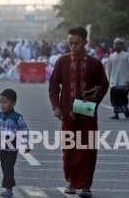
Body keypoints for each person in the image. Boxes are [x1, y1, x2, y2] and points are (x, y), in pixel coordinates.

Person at [48, 26, 109, 198]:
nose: (72, 46)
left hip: (87, 111)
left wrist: (94, 96)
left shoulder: (95, 64)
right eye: (70, 43)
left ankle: (85, 185)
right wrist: (56, 106)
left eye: (76, 43)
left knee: (87, 149)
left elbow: (104, 85)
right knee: (69, 149)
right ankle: (70, 182)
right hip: (68, 112)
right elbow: (53, 86)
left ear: (85, 42)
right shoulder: (62, 61)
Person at [106, 38, 129, 119]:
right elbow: (109, 69)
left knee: (122, 97)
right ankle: (116, 114)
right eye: (115, 44)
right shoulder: (111, 56)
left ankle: (125, 109)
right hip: (114, 81)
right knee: (114, 98)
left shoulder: (127, 56)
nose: (117, 45)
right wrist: (108, 81)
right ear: (113, 45)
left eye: (119, 44)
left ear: (122, 45)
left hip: (124, 81)